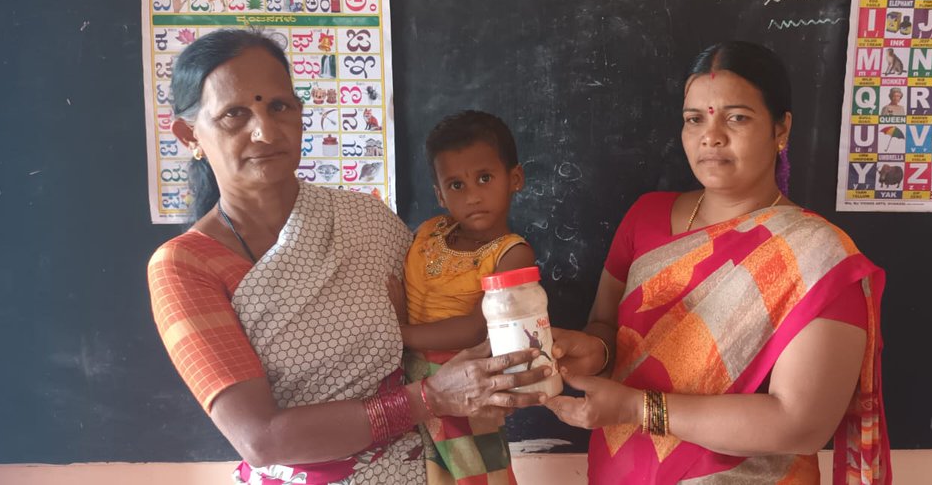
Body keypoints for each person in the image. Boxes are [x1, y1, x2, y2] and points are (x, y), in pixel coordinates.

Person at [147, 29, 549, 485]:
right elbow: (261, 439)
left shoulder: (365, 219)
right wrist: (430, 398)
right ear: (189, 135)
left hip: (437, 468)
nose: (265, 131)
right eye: (234, 114)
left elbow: (453, 313)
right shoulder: (185, 267)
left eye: (279, 106)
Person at [544, 41, 891, 484]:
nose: (711, 136)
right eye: (695, 119)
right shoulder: (645, 217)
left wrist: (638, 408)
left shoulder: (818, 255)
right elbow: (606, 328)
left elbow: (801, 424)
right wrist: (596, 351)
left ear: (781, 128)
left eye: (737, 117)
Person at [395, 111, 535, 484]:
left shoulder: (511, 254)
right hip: (406, 380)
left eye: (484, 178)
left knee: (477, 475)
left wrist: (398, 334)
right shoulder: (429, 232)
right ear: (440, 194)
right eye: (456, 185)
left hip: (466, 380)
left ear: (515, 179)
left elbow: (476, 328)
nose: (472, 196)